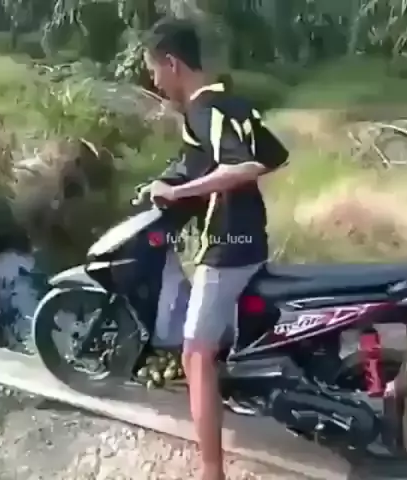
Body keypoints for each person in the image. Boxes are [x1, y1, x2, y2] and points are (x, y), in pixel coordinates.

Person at [140, 17, 289, 480]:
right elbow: (273, 154)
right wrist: (167, 182)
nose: (154, 81)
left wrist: (182, 193)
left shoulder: (205, 110)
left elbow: (243, 165)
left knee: (194, 355)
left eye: (153, 70)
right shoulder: (230, 102)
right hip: (250, 236)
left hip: (226, 245)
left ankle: (210, 470)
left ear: (172, 63)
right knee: (217, 340)